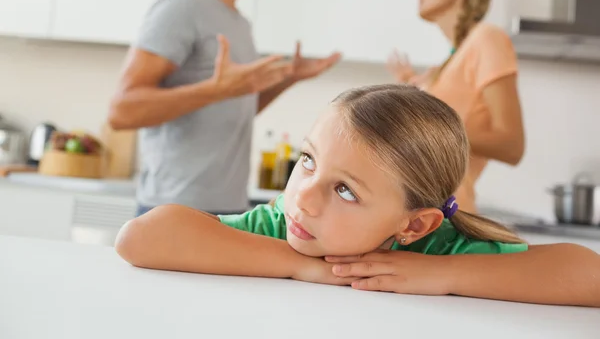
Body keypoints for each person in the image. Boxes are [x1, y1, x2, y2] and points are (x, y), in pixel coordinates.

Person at [115, 84, 600, 308]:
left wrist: (444, 273)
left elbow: (589, 275)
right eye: (308, 161)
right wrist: (301, 264)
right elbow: (141, 238)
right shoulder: (284, 229)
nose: (304, 197)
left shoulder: (437, 250)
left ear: (413, 226)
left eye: (344, 189)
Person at [108, 0, 341, 216]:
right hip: (174, 210)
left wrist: (289, 79)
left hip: (228, 209)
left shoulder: (239, 24)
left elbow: (234, 106)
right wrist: (216, 90)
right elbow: (122, 111)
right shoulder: (181, 8)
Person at [387, 0, 525, 214]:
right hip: (420, 211)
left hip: (449, 215)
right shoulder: (451, 59)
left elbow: (512, 144)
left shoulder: (487, 38)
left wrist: (423, 130)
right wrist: (410, 87)